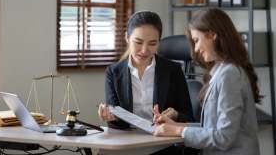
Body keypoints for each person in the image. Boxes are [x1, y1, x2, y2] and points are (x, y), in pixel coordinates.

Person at [153, 8, 261, 155]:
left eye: (197, 40)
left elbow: (224, 137)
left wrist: (179, 130)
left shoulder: (229, 75)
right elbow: (211, 128)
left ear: (212, 35)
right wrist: (176, 125)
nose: (196, 49)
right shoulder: (220, 70)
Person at [98, 10, 195, 154]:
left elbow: (189, 117)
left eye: (152, 43)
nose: (144, 50)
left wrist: (175, 114)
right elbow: (117, 122)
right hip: (126, 143)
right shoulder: (113, 72)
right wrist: (110, 116)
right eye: (138, 42)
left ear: (159, 42)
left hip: (161, 143)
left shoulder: (173, 70)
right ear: (127, 37)